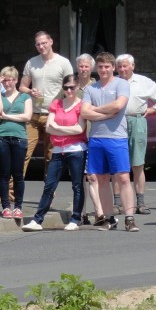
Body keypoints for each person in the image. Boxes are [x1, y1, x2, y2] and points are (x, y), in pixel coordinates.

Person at [81, 52, 139, 232]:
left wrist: (96, 111)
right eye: (100, 67)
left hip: (117, 138)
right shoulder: (91, 89)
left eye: (107, 67)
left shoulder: (121, 84)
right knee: (101, 179)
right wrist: (105, 113)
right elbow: (84, 113)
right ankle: (108, 218)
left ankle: (129, 218)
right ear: (96, 68)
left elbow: (118, 106)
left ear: (113, 67)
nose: (104, 70)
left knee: (122, 177)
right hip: (97, 139)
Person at [22, 74, 88, 231]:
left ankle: (75, 218)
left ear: (78, 87)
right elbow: (48, 127)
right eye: (66, 88)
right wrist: (62, 130)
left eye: (72, 87)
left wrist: (58, 129)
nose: (69, 90)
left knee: (77, 185)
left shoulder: (82, 105)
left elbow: (80, 128)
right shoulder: (57, 104)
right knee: (49, 185)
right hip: (58, 150)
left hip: (76, 149)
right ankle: (37, 220)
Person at [18, 31, 74, 200]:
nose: (41, 47)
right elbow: (21, 86)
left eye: (44, 43)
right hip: (34, 114)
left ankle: (49, 190)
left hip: (53, 113)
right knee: (24, 152)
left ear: (51, 42)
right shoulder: (31, 62)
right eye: (38, 44)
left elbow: (70, 86)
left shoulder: (63, 63)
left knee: (51, 155)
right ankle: (13, 192)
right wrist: (30, 91)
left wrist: (64, 108)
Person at [117, 54, 156, 215]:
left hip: (137, 121)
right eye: (120, 66)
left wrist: (155, 108)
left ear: (132, 66)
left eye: (125, 66)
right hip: (117, 123)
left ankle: (140, 202)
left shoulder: (142, 81)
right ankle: (117, 202)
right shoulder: (114, 82)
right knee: (117, 164)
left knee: (138, 163)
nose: (123, 69)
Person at [0, 66, 32, 219]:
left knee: (18, 174)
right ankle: (5, 206)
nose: (7, 83)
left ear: (16, 80)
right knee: (4, 173)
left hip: (19, 137)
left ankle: (18, 207)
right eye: (4, 80)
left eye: (10, 80)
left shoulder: (24, 97)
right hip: (2, 137)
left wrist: (7, 117)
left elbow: (27, 116)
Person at [74, 54, 104, 224]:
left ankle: (99, 212)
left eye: (86, 66)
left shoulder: (97, 87)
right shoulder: (71, 86)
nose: (83, 69)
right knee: (79, 179)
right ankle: (81, 213)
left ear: (91, 68)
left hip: (93, 136)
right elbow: (57, 106)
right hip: (75, 138)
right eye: (81, 66)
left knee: (93, 176)